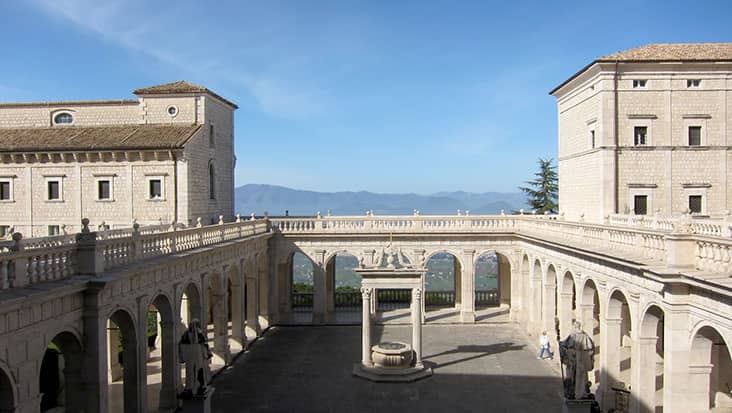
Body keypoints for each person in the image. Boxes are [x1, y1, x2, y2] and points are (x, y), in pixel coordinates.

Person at [559, 320, 595, 399]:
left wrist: (560, 343)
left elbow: (565, 345)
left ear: (575, 327)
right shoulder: (585, 336)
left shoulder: (573, 336)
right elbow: (591, 348)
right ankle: (582, 393)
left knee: (573, 376)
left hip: (574, 359)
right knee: (582, 377)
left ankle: (574, 392)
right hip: (582, 360)